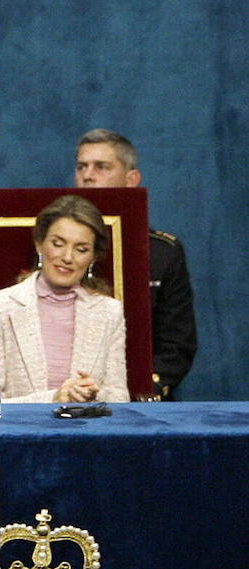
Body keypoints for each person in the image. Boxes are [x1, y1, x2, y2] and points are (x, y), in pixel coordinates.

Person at [74, 128, 197, 397]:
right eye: (82, 166)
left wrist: (143, 389)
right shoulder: (55, 248)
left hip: (141, 398)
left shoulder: (161, 253)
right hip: (68, 392)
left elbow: (176, 344)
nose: (87, 175)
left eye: (101, 167)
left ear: (131, 179)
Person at [0, 195, 129, 404]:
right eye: (58, 244)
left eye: (81, 249)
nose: (67, 257)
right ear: (40, 244)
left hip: (88, 433)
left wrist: (91, 395)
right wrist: (54, 398)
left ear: (93, 258)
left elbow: (120, 398)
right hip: (19, 435)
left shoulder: (109, 312)